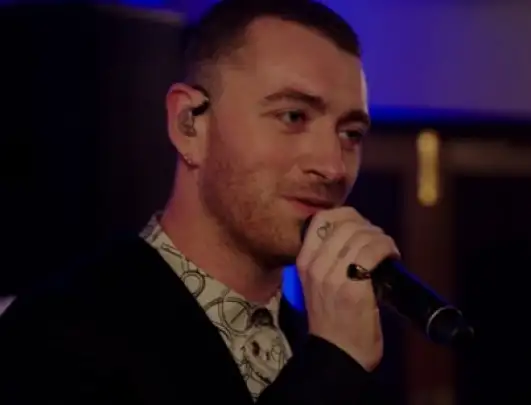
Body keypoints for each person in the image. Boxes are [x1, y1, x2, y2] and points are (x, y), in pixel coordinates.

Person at [0, 1, 404, 404]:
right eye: (293, 117)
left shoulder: (326, 346)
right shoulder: (57, 333)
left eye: (351, 134)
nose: (333, 166)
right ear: (189, 124)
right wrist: (332, 367)